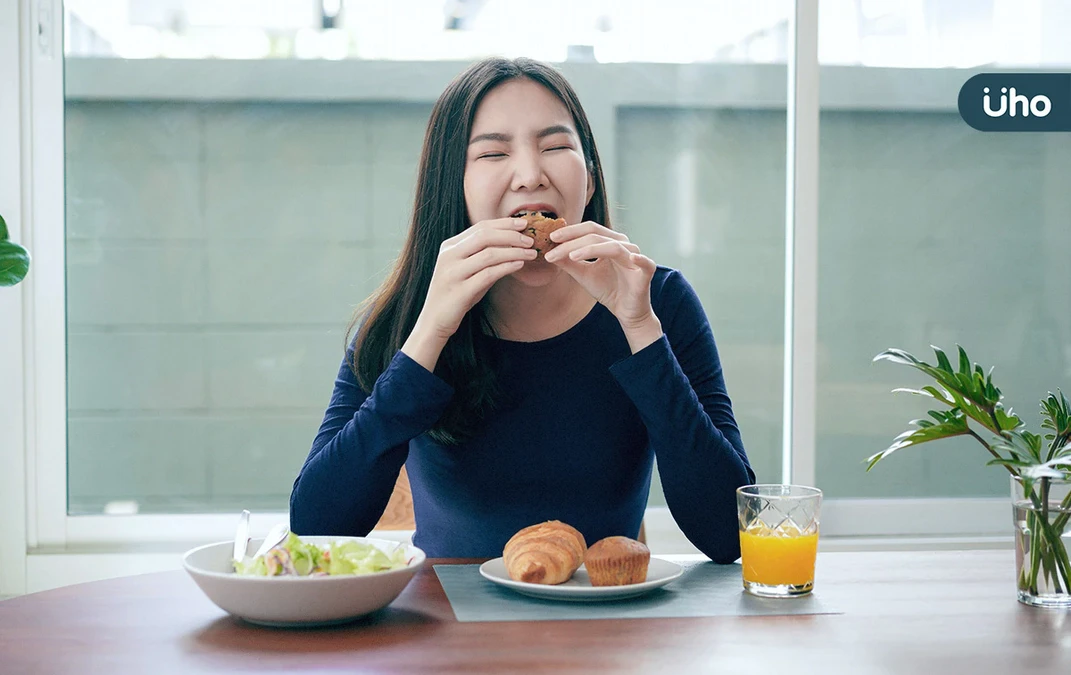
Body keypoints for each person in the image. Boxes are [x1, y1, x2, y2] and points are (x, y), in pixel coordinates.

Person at [289, 57, 755, 563]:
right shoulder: (406, 318)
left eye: (556, 147)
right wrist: (429, 334)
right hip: (448, 625)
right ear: (456, 187)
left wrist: (639, 329)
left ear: (591, 181)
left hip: (606, 627)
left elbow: (729, 537)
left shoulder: (655, 301)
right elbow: (316, 527)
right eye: (492, 153)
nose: (530, 175)